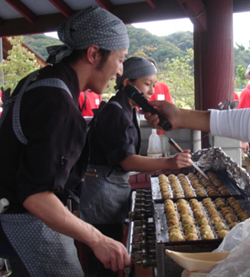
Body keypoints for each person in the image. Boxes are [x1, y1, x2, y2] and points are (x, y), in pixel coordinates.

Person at [0, 6, 131, 276]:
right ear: (94, 54)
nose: (119, 71)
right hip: (25, 223)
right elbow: (36, 195)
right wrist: (98, 239)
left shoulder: (40, 81)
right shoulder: (57, 103)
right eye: (120, 60)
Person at [79, 56, 193, 276]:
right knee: (105, 252)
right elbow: (127, 160)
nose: (151, 90)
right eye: (147, 83)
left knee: (112, 246)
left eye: (153, 84)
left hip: (112, 184)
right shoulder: (115, 111)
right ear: (127, 83)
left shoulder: (127, 108)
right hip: (102, 189)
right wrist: (170, 162)